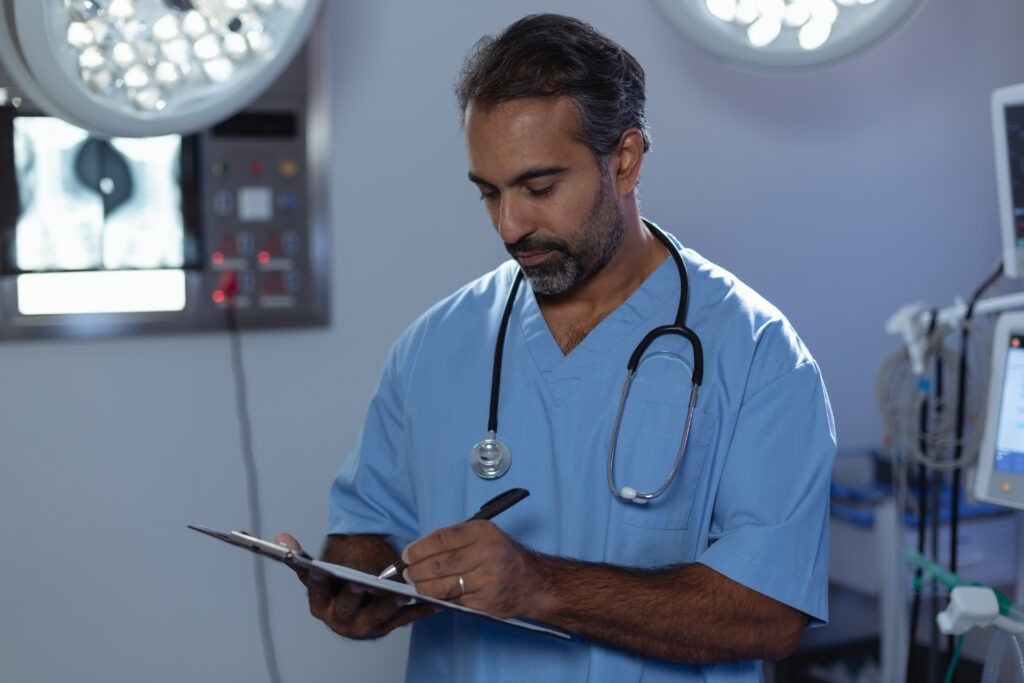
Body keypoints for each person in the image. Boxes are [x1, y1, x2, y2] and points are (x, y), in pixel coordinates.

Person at [278, 12, 836, 681]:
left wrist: (541, 584)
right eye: (490, 192)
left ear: (624, 160)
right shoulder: (435, 346)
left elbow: (771, 613)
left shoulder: (758, 354)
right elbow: (371, 526)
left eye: (539, 188)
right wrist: (356, 582)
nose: (511, 225)